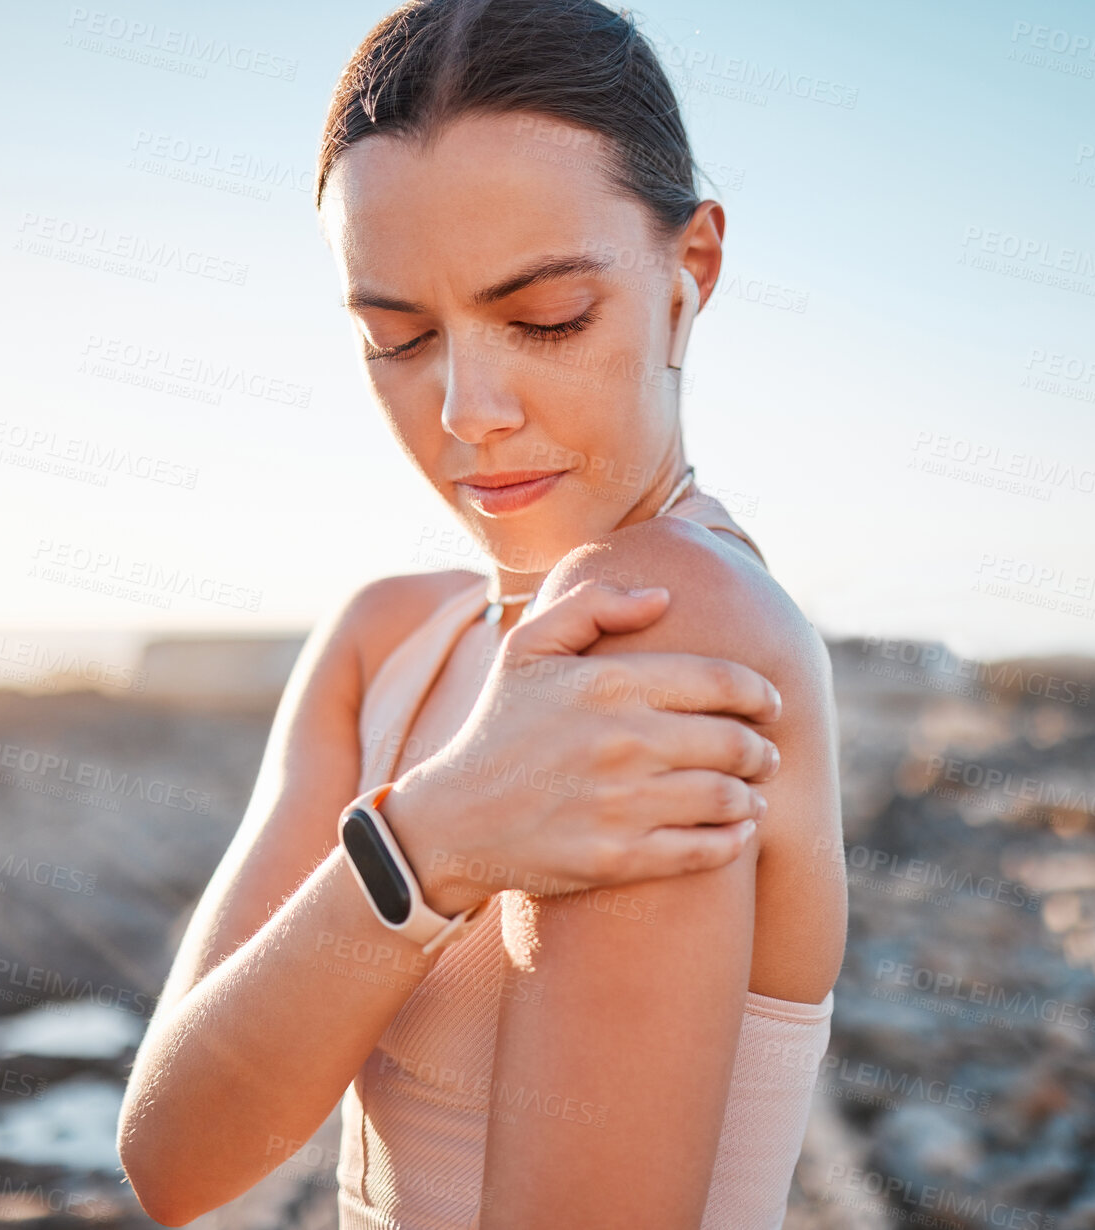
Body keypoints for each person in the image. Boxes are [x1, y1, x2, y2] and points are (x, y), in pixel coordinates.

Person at [117, 1, 847, 1225]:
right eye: (394, 337)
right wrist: (434, 840)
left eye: (544, 317)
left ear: (691, 271)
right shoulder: (384, 643)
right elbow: (175, 1163)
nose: (466, 408)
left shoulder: (676, 622)